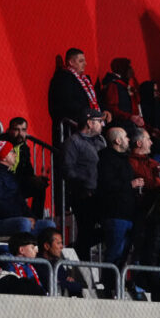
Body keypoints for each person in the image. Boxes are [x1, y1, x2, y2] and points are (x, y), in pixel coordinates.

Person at [0, 139, 55, 236]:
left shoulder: (9, 174)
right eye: (12, 152)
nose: (15, 155)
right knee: (24, 223)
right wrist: (23, 217)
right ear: (4, 157)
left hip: (14, 219)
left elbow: (20, 201)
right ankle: (23, 245)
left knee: (49, 225)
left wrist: (33, 218)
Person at [61, 108, 108, 255]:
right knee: (86, 230)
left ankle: (76, 248)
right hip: (83, 195)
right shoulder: (72, 142)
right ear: (89, 123)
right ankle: (79, 253)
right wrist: (83, 186)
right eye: (99, 121)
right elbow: (67, 169)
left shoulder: (100, 142)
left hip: (100, 194)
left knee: (108, 228)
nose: (103, 124)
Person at [96, 126, 144, 269]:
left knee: (123, 255)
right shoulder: (106, 159)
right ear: (117, 141)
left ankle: (116, 281)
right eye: (125, 137)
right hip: (115, 213)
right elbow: (107, 184)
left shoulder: (124, 160)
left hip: (128, 213)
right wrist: (131, 184)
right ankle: (109, 281)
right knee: (114, 253)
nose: (129, 140)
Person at [47, 48, 101, 139]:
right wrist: (88, 112)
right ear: (71, 62)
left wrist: (103, 111)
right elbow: (66, 102)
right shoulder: (63, 78)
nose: (85, 64)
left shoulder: (86, 80)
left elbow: (94, 99)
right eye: (81, 61)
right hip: (73, 127)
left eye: (84, 61)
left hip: (89, 124)